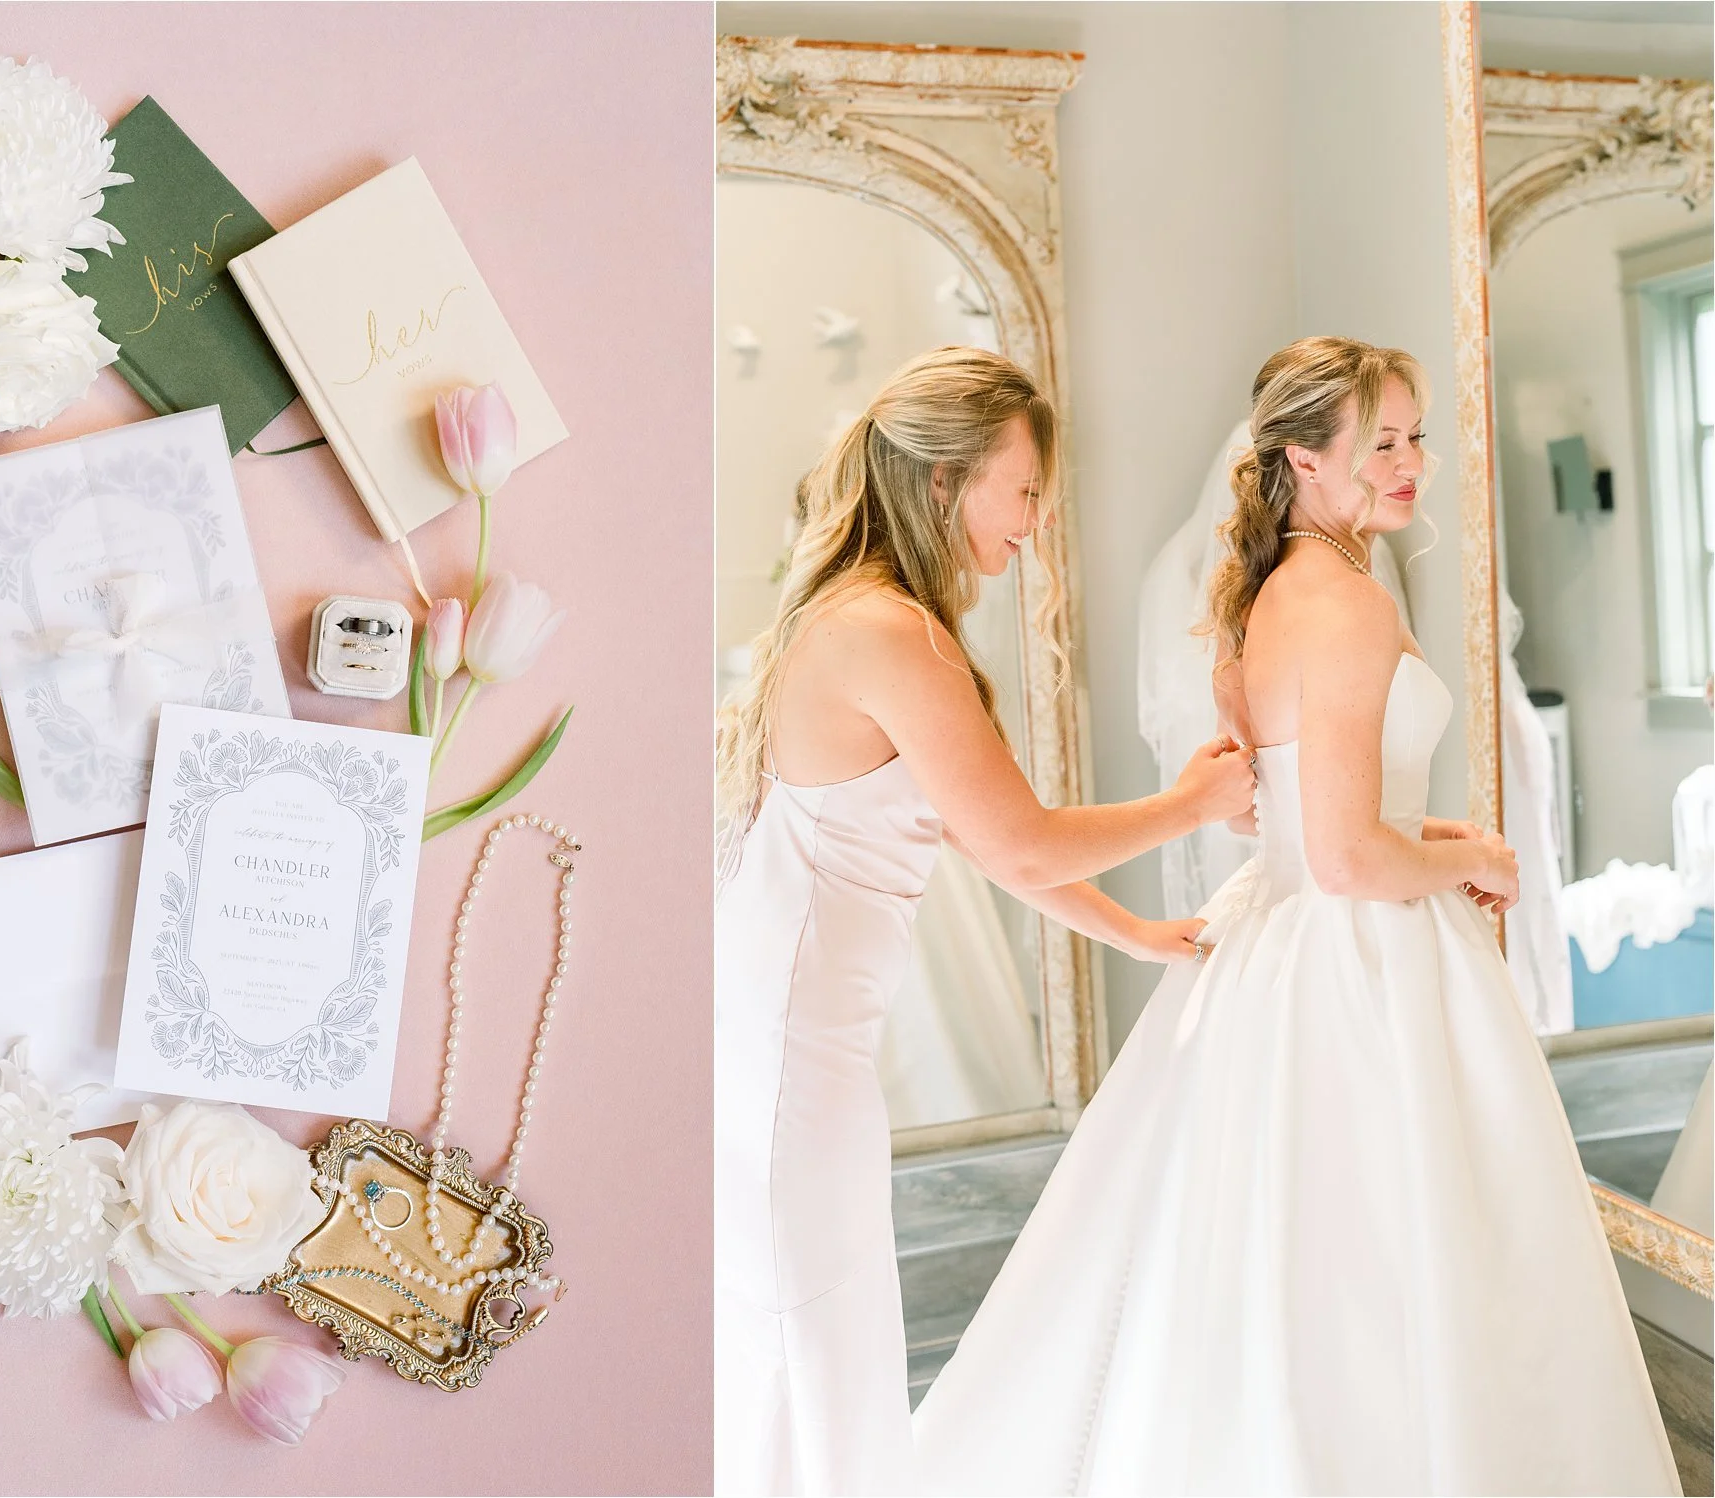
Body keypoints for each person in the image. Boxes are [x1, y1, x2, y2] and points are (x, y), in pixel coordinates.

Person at [911, 336, 1681, 1496]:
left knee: (1276, 1263)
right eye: (1381, 440)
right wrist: (1469, 849)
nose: (1412, 460)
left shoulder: (1273, 597)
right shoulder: (1348, 606)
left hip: (1282, 943)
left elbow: (1312, 829)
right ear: (1301, 459)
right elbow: (1345, 856)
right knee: (1391, 1262)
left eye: (1416, 434)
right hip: (1357, 960)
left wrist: (1431, 847)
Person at [713, 346, 1257, 1496]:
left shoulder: (871, 619)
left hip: (798, 1039)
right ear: (942, 484)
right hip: (785, 1054)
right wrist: (1190, 803)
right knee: (805, 1328)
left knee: (823, 1320)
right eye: (1022, 493)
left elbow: (970, 835)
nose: (1035, 523)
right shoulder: (884, 634)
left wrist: (1132, 934)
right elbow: (1016, 838)